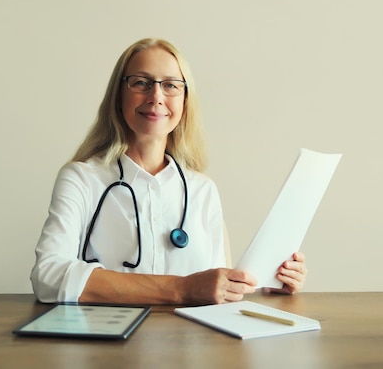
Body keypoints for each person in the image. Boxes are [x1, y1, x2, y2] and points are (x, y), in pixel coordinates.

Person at [30, 38, 307, 305]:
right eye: (141, 83)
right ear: (118, 95)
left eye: (171, 85)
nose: (156, 96)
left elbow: (218, 291)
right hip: (107, 347)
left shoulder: (202, 190)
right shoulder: (81, 179)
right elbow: (48, 276)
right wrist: (182, 289)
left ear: (185, 101)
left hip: (188, 346)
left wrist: (269, 282)